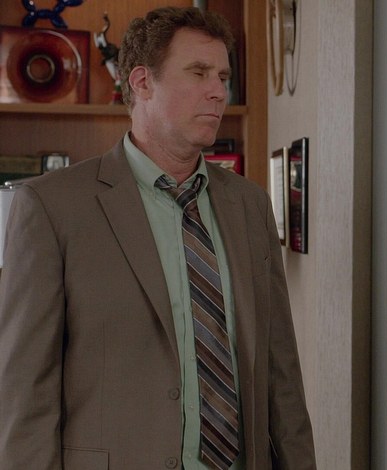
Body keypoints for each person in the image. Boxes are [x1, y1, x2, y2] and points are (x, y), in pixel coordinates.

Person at [0, 7, 316, 469]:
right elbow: (25, 393)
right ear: (142, 82)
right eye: (199, 72)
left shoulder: (249, 205)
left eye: (223, 77)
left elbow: (280, 372)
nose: (218, 91)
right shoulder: (52, 208)